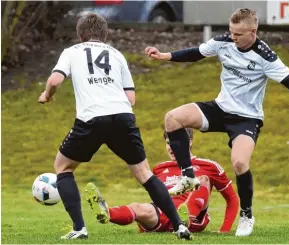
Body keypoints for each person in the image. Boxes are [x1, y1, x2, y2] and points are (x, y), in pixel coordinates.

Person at [144, 8, 289, 237]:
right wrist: (166, 55)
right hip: (220, 108)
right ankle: (188, 176)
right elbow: (197, 52)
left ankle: (246, 214)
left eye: (238, 34)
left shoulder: (266, 56)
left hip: (247, 117)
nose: (233, 37)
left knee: (239, 164)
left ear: (253, 32)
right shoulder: (223, 41)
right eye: (231, 32)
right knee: (172, 118)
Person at [38, 13, 191, 240]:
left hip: (91, 118)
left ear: (81, 35)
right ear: (105, 34)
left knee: (63, 167)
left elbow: (54, 81)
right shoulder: (117, 54)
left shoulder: (71, 52)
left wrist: (47, 95)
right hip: (123, 117)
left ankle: (79, 228)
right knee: (144, 173)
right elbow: (131, 98)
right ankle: (179, 226)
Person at [85, 128, 239, 233]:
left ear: (190, 141)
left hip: (194, 218)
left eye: (176, 142)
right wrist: (143, 221)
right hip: (164, 213)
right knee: (137, 206)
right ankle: (106, 212)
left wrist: (224, 230)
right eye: (168, 142)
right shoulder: (160, 168)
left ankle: (184, 221)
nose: (171, 147)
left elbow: (232, 199)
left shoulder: (209, 166)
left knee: (203, 180)